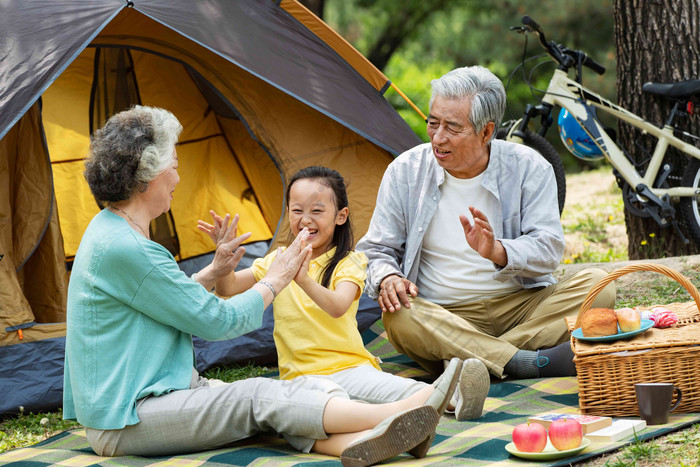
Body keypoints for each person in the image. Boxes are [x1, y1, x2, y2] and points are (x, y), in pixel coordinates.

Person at [63, 105, 456, 466]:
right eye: (174, 166)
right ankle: (400, 412)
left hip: (141, 399)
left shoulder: (112, 233)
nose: (178, 178)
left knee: (275, 407)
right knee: (256, 396)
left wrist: (215, 270)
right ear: (147, 176)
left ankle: (366, 441)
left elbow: (164, 295)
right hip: (128, 417)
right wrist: (276, 278)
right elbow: (218, 322)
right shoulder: (127, 247)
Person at [198, 166, 489, 457]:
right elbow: (228, 288)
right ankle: (386, 437)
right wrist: (223, 261)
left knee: (402, 391)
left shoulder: (350, 261)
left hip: (351, 368)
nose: (305, 220)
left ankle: (455, 398)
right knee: (302, 421)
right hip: (301, 377)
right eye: (297, 210)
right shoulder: (278, 260)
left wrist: (302, 279)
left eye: (317, 211)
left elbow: (338, 306)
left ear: (341, 216)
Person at [355, 66, 616, 381]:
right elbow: (376, 249)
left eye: (452, 127)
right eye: (432, 123)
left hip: (521, 307)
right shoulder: (405, 172)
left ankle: (471, 362)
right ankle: (524, 362)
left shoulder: (530, 168)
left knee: (599, 285)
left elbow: (548, 250)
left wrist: (498, 251)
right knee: (398, 316)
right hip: (444, 316)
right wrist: (388, 278)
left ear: (486, 132)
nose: (438, 137)